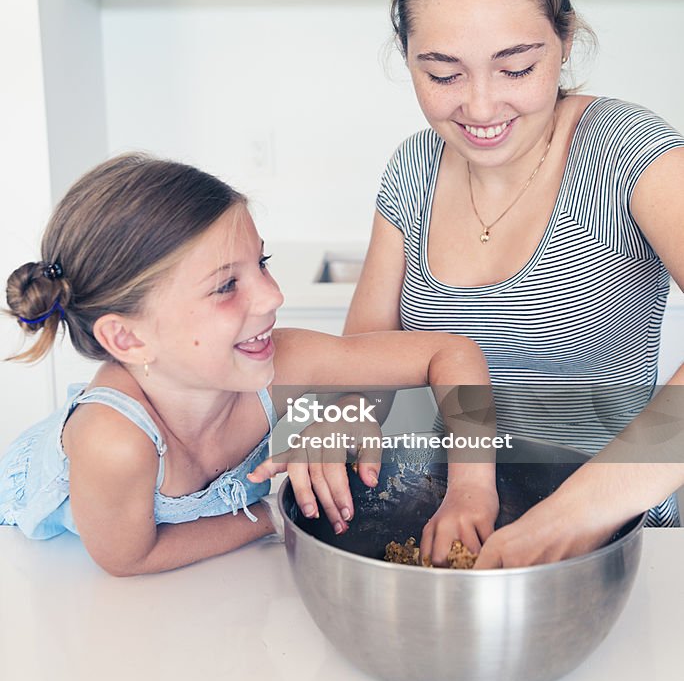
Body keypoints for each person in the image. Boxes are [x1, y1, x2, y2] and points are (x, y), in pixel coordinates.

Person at [341, 0, 684, 568]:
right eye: (442, 74)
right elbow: (356, 361)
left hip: (627, 539)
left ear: (565, 41)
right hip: (458, 525)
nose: (479, 106)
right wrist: (328, 426)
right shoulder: (412, 169)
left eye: (516, 68)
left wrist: (576, 514)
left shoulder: (627, 153)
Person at [0, 153, 490, 576]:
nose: (273, 296)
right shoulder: (113, 443)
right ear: (127, 337)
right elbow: (130, 558)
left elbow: (451, 353)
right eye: (225, 286)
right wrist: (273, 516)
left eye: (262, 262)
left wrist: (469, 486)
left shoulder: (281, 360)